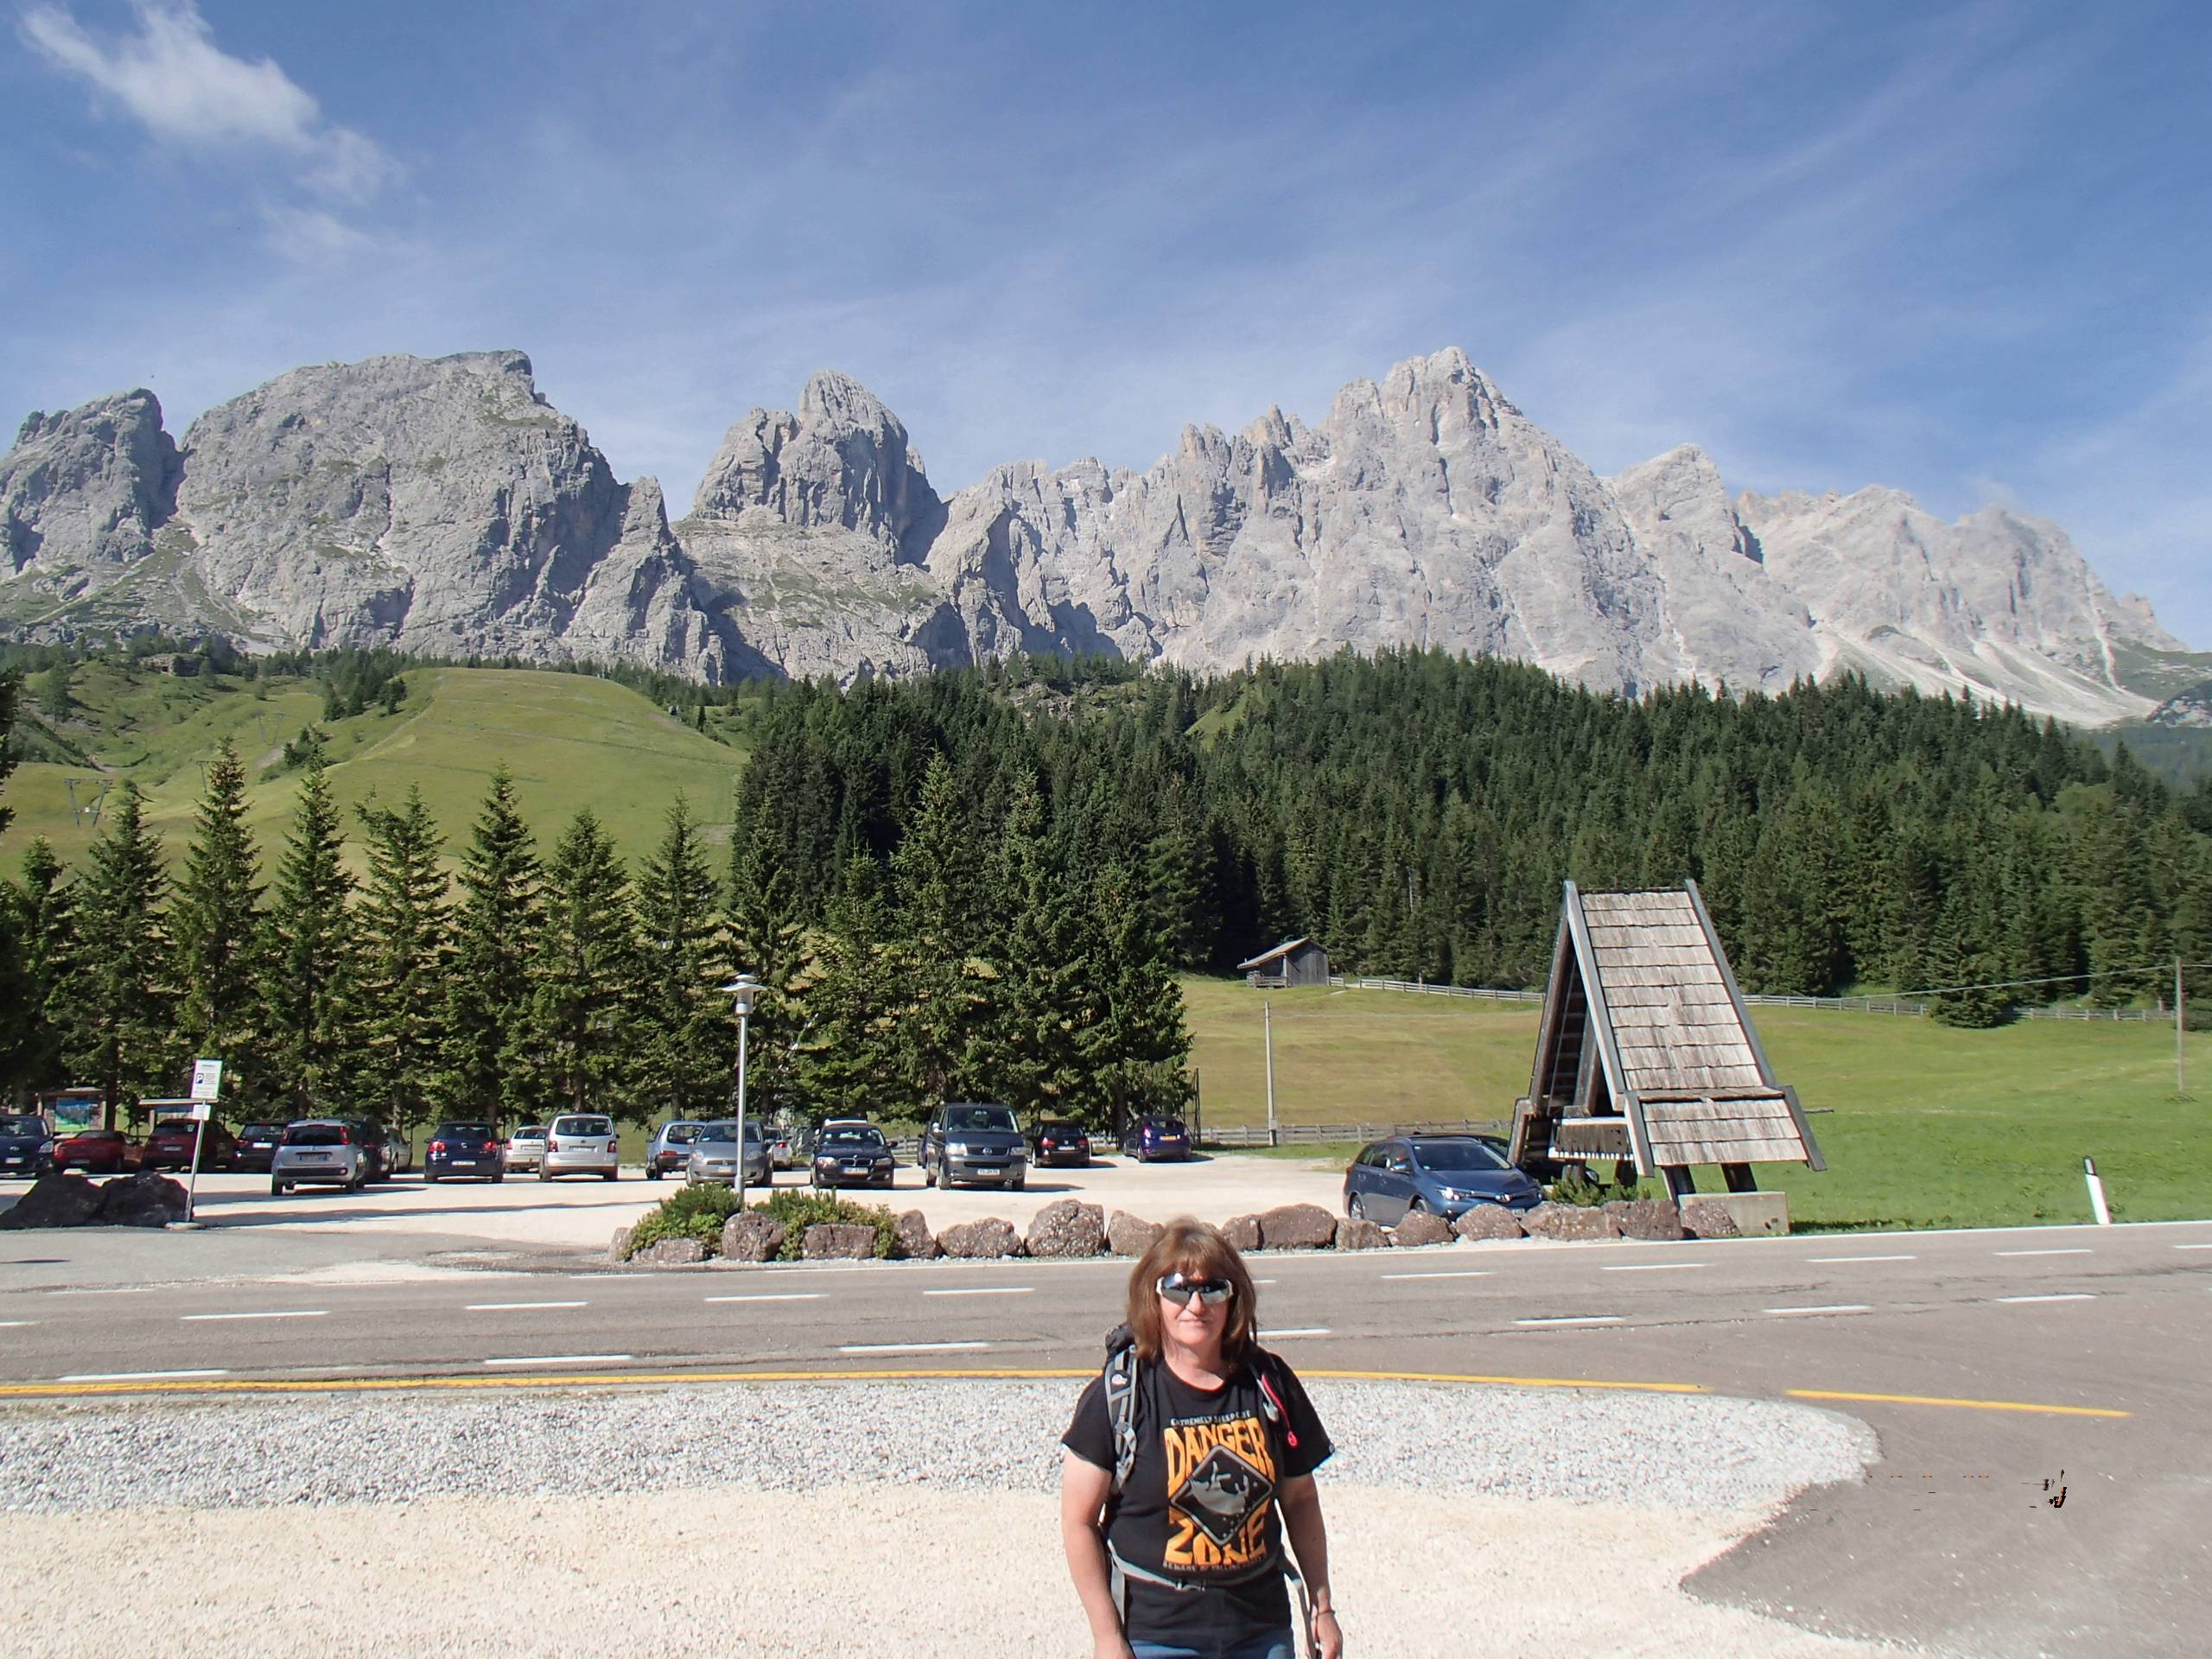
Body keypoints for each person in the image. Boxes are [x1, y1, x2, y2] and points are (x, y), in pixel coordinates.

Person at [1060, 1217, 1343, 1659]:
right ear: (1153, 1297)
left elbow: (1301, 1499)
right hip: (1157, 1635)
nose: (1195, 1305)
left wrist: (1321, 1607)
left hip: (1260, 1630)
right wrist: (1107, 1636)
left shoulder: (1269, 1384)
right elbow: (1078, 1521)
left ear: (1234, 1298)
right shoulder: (1120, 1396)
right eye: (1178, 1289)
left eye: (1212, 1289)